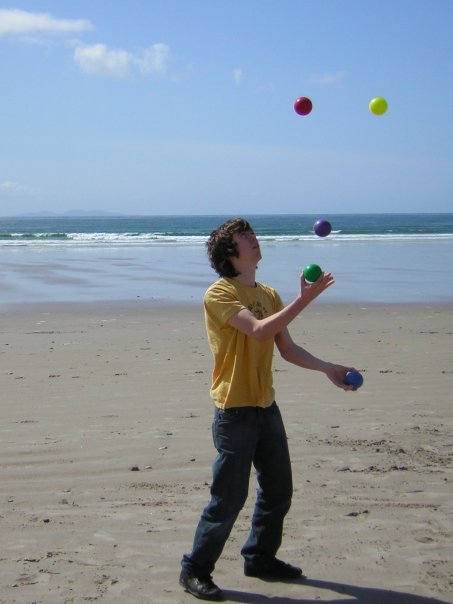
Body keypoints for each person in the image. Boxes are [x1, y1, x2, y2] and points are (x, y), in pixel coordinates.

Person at [180, 217, 356, 601]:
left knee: (278, 490)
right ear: (230, 253)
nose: (254, 239)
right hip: (235, 409)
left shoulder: (271, 295)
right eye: (245, 237)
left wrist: (328, 368)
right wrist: (305, 300)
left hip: (265, 405)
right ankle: (194, 569)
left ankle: (259, 557)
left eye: (253, 234)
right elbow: (258, 330)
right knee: (228, 498)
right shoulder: (219, 294)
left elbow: (287, 349)